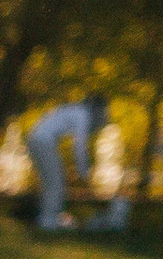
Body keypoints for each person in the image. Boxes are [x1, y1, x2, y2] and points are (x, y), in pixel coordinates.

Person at [26, 92, 108, 234]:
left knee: (52, 183)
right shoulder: (83, 114)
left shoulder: (75, 110)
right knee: (56, 183)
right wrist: (83, 171)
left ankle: (47, 220)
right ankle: (48, 223)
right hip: (43, 141)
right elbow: (79, 145)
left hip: (37, 139)